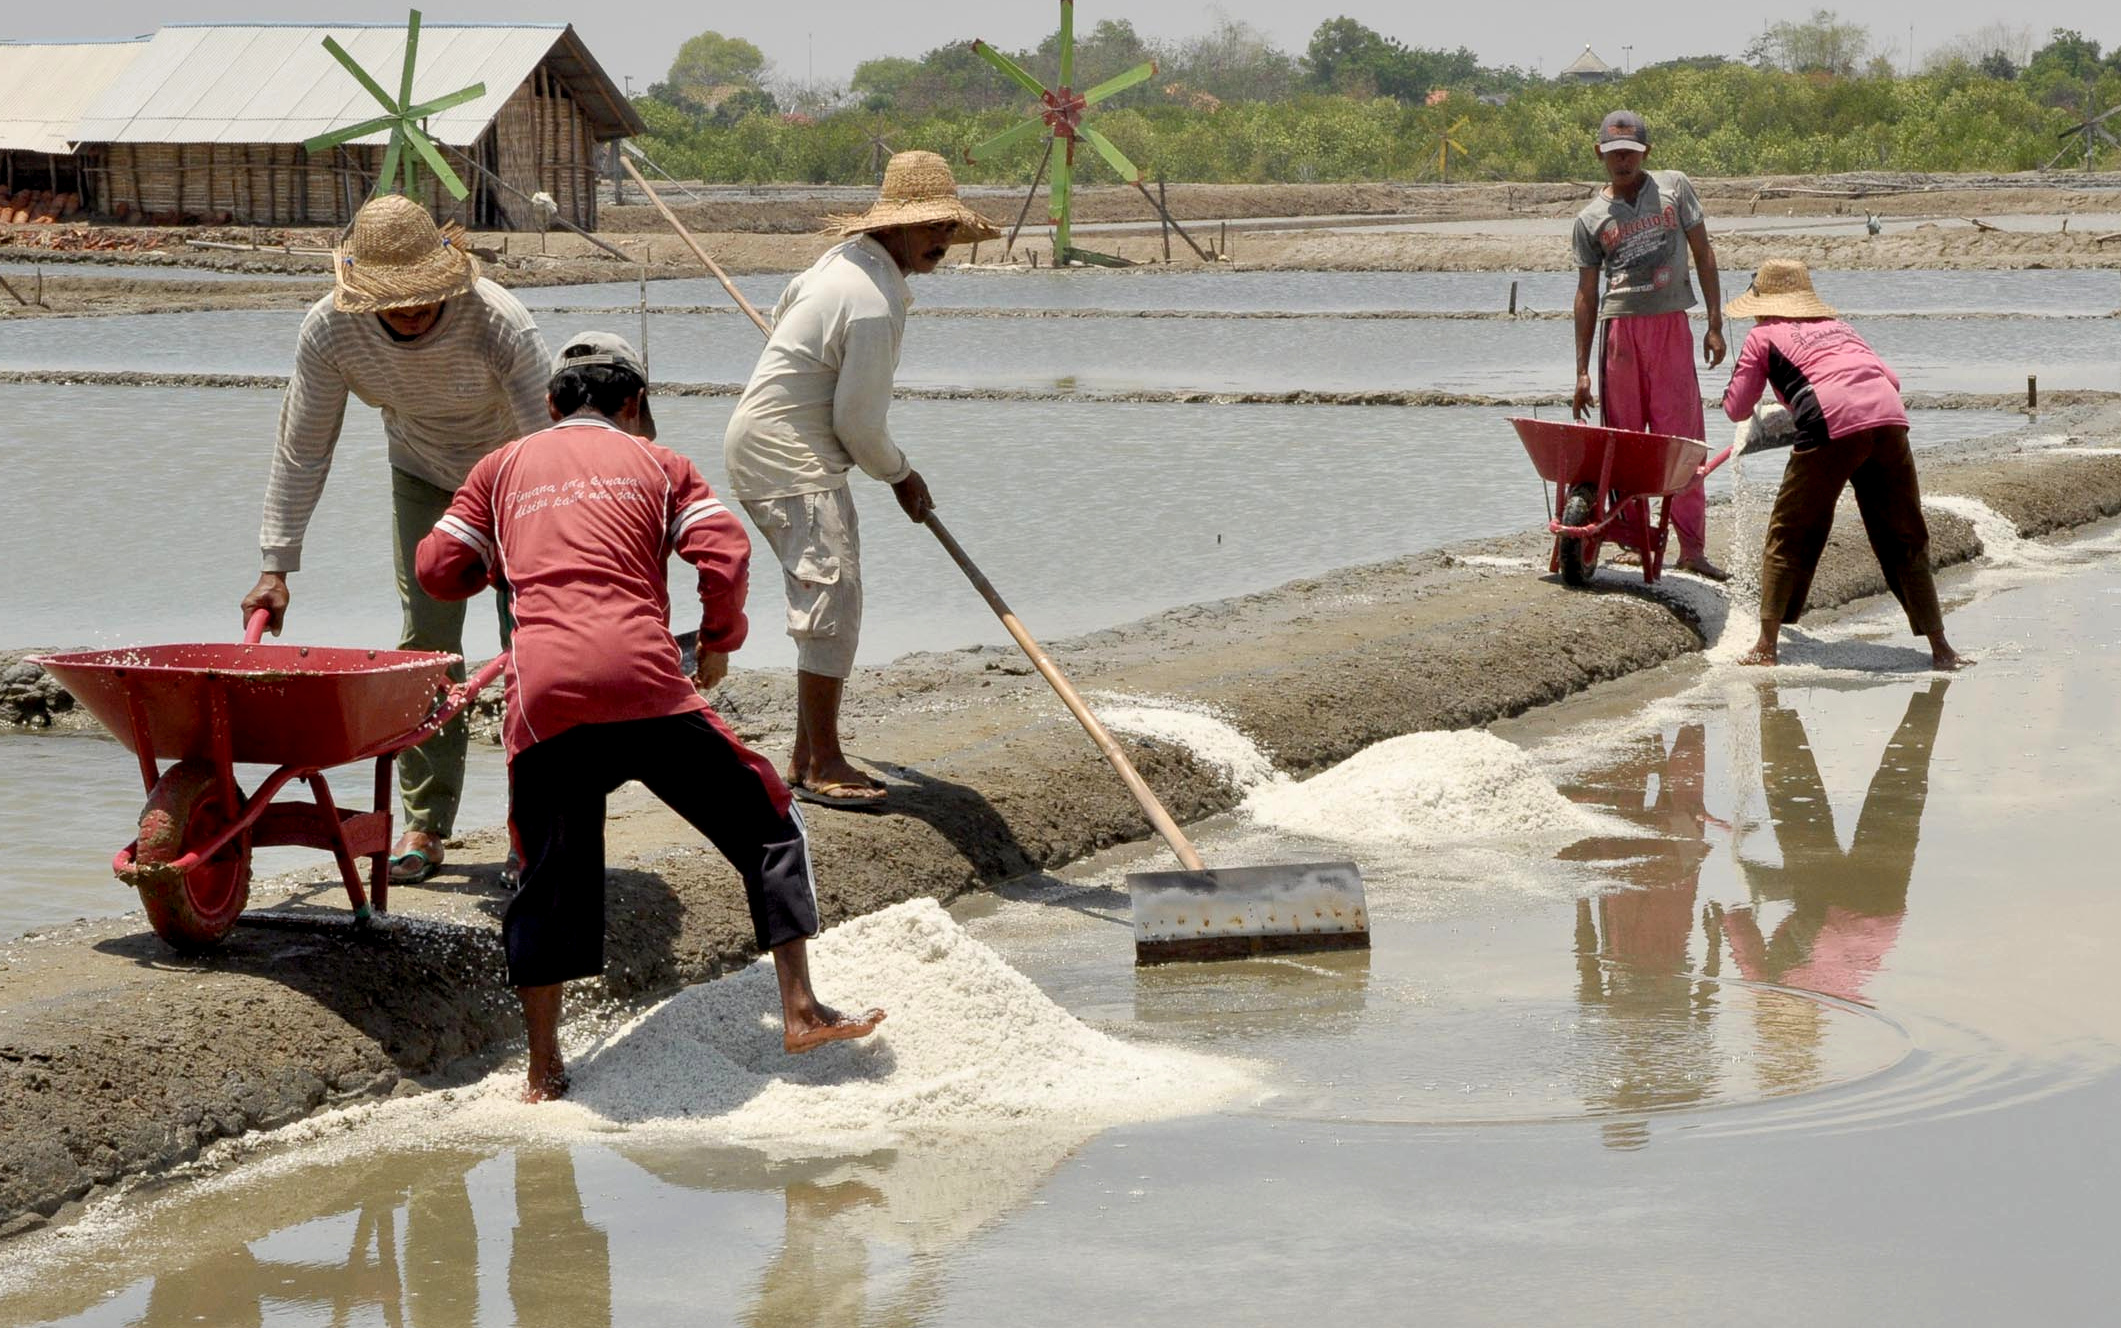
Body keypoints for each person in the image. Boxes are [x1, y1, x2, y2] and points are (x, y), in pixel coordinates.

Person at [415, 333, 884, 1102]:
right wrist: (720, 642)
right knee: (768, 821)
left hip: (546, 699)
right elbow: (724, 551)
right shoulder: (661, 464)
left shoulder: (498, 468)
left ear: (549, 404)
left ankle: (543, 1070)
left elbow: (437, 571)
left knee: (544, 876)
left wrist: (494, 562)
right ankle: (799, 1010)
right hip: (646, 682)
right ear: (633, 403)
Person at [241, 193, 552, 884]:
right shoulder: (329, 332)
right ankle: (425, 821)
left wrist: (550, 533)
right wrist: (276, 563)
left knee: (531, 646)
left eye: (422, 296)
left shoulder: (499, 320)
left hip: (520, 480)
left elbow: (550, 439)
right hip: (424, 476)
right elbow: (303, 448)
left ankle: (531, 824)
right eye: (393, 298)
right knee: (424, 645)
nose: (410, 310)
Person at [723, 150, 1001, 809]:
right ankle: (822, 759)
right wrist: (902, 475)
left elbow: (791, 321)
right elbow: (856, 422)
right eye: (929, 227)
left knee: (830, 595)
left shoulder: (838, 267)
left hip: (768, 445)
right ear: (893, 226)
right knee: (831, 599)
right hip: (791, 455)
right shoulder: (871, 302)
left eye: (947, 228)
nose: (941, 241)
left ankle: (804, 753)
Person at [1719, 259, 1968, 670]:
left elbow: (1737, 408)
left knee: (1792, 530)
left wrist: (1786, 408)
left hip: (1830, 423)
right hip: (1888, 419)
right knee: (1903, 532)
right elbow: (1890, 379)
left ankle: (1765, 646)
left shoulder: (1762, 336)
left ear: (1762, 305)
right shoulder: (1842, 328)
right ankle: (1942, 649)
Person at [1570, 109, 1729, 581]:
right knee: (1626, 441)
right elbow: (1586, 293)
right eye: (1615, 153)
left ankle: (1691, 548)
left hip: (1670, 326)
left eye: (1632, 153)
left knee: (1682, 438)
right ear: (1600, 154)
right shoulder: (1590, 218)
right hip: (1619, 331)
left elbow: (1703, 252)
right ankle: (1636, 540)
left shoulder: (1674, 188)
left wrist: (1715, 323)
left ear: (1647, 154)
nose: (1623, 161)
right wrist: (1581, 369)